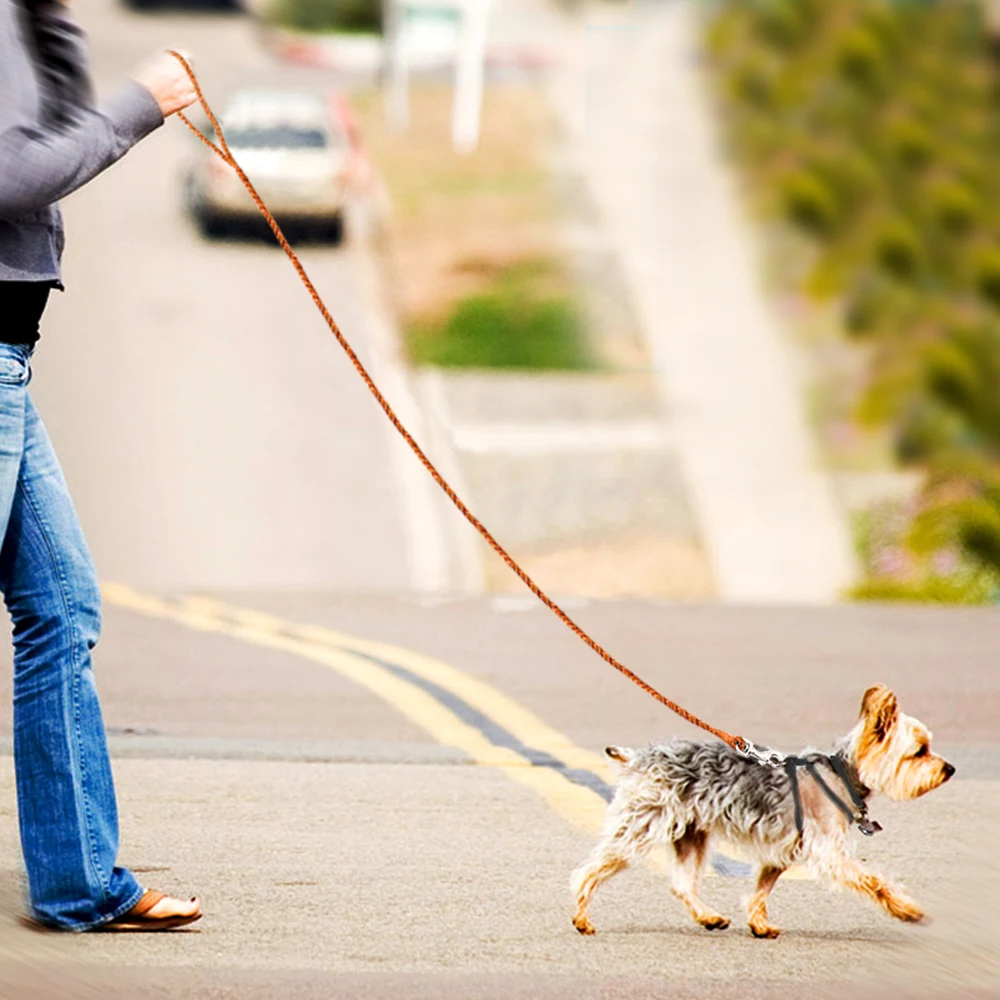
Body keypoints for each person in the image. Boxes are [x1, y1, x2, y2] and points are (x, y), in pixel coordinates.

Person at [1, 0, 201, 931]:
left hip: (9, 362)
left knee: (61, 607)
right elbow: (13, 173)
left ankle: (78, 884)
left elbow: (55, 121)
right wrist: (145, 100)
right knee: (59, 612)